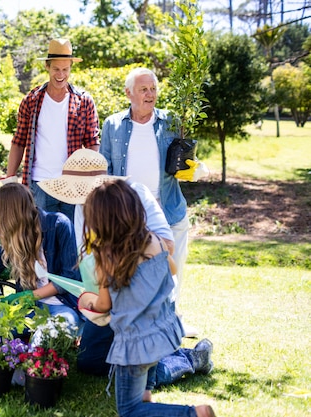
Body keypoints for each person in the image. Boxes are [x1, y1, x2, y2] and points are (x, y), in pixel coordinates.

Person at [38, 149, 214, 393]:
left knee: (134, 373)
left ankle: (189, 359)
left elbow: (168, 248)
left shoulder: (135, 195)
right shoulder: (80, 209)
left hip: (144, 304)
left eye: (82, 189)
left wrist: (122, 251)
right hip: (109, 303)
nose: (80, 197)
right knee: (89, 363)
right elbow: (91, 262)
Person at [81, 179, 216, 417]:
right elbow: (171, 269)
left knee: (129, 410)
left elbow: (104, 305)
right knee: (143, 391)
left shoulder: (107, 257)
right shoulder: (153, 240)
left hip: (135, 344)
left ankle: (195, 414)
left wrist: (88, 302)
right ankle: (148, 403)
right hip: (161, 331)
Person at [100, 67, 206, 337]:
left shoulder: (170, 120)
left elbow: (185, 159)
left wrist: (195, 169)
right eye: (143, 89)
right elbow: (106, 170)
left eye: (153, 89)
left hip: (167, 206)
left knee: (173, 269)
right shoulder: (113, 124)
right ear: (128, 93)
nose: (150, 94)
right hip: (129, 212)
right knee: (130, 268)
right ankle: (130, 322)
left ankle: (172, 321)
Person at [2, 38, 100, 223]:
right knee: (43, 241)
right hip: (40, 184)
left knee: (70, 240)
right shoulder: (31, 100)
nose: (61, 74)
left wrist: (92, 179)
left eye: (65, 69)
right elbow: (19, 141)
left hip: (71, 184)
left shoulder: (84, 101)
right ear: (47, 67)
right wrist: (9, 177)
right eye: (56, 69)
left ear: (71, 68)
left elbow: (93, 142)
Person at [0, 182, 82, 329]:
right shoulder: (13, 237)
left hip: (62, 306)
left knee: (54, 331)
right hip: (30, 310)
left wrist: (31, 296)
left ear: (9, 213)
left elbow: (68, 278)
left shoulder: (58, 224)